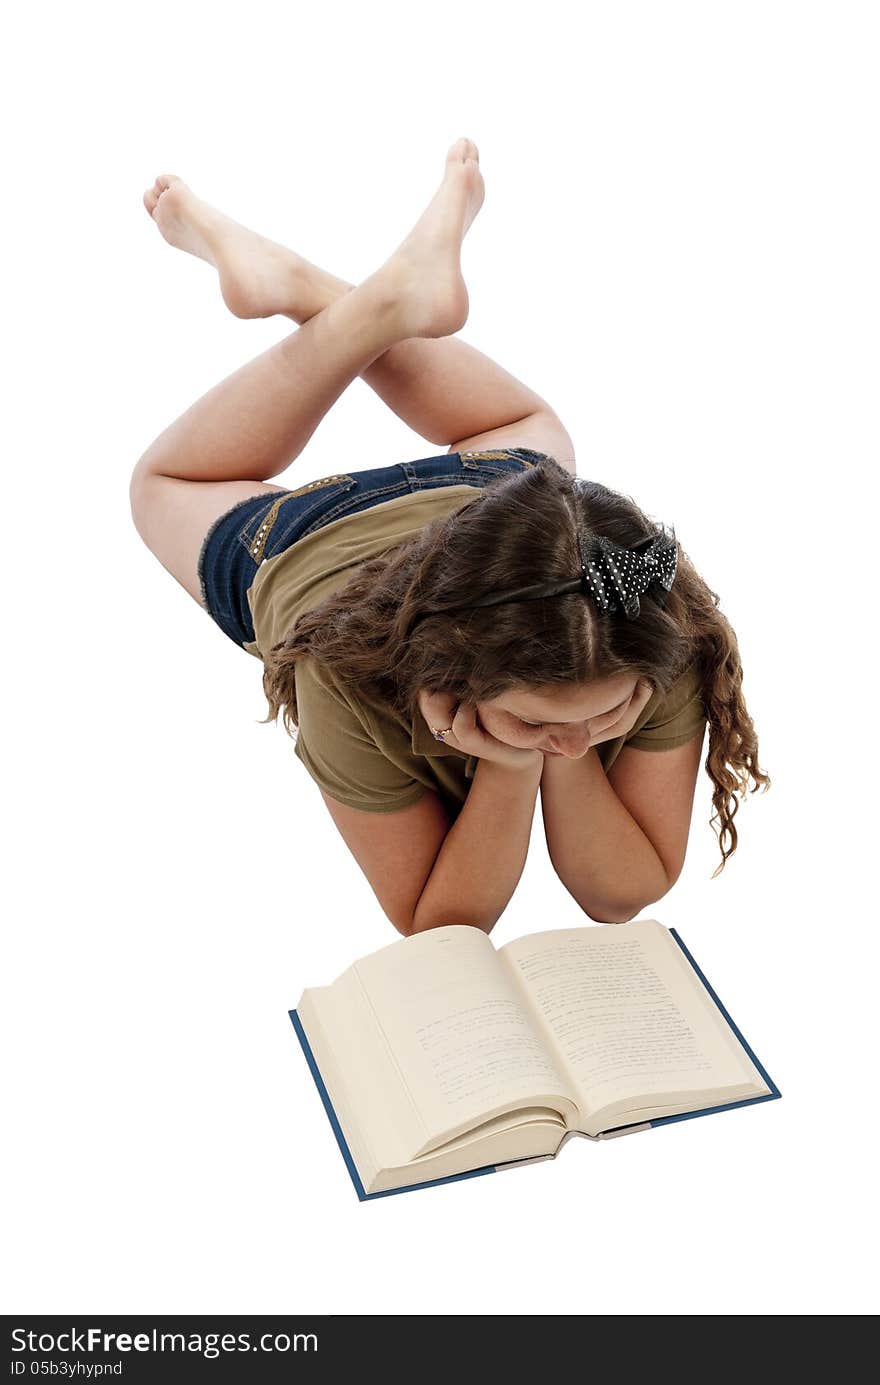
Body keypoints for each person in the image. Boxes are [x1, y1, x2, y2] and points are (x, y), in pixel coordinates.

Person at [130, 137, 770, 938]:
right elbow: (438, 925)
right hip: (304, 538)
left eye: (602, 715)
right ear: (456, 664)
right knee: (160, 487)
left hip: (499, 505)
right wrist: (509, 766)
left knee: (533, 433)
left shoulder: (643, 618)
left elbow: (622, 891)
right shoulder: (342, 667)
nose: (571, 744)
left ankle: (336, 296)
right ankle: (337, 296)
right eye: (539, 721)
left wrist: (528, 749)